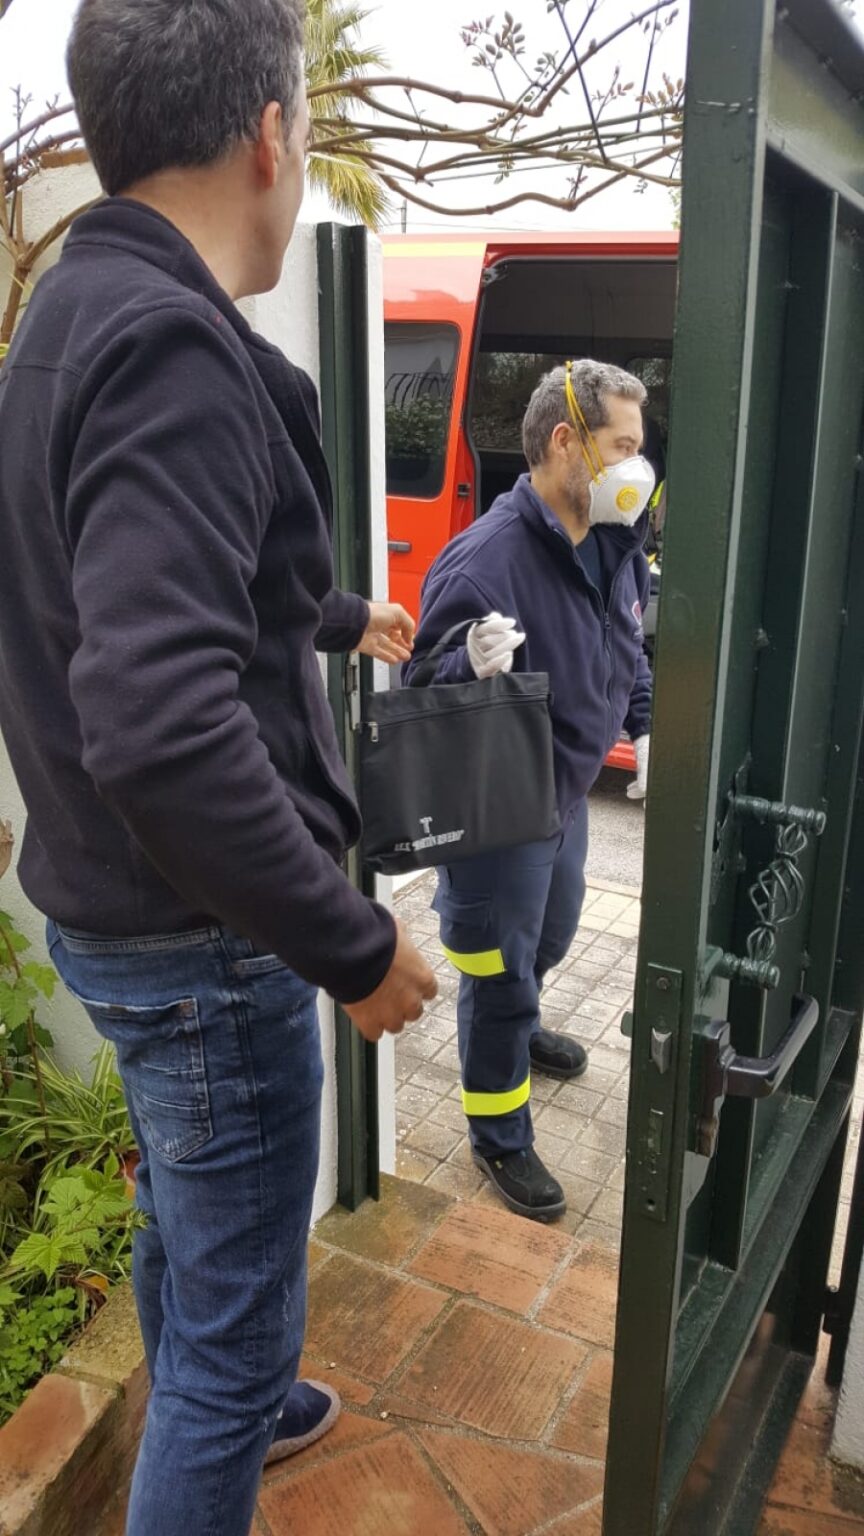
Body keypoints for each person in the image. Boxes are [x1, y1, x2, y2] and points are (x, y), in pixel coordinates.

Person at [0, 2, 437, 1532]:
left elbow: (146, 586)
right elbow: (164, 722)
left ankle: (240, 1367)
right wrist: (354, 940)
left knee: (198, 1224)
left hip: (119, 918)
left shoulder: (73, 305)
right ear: (267, 131)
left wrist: (331, 611)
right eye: (305, 133)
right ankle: (237, 1385)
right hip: (203, 940)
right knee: (228, 1345)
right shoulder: (171, 346)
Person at [404, 360, 653, 1223]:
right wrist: (460, 664)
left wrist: (646, 725)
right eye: (623, 445)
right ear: (565, 442)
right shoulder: (483, 565)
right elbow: (416, 699)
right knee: (495, 968)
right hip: (498, 812)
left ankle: (522, 1018)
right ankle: (499, 1134)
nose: (636, 465)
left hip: (566, 796)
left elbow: (628, 647)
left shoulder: (615, 539)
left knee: (551, 931)